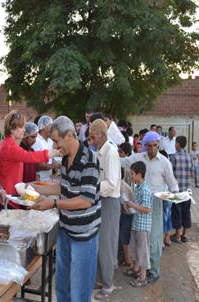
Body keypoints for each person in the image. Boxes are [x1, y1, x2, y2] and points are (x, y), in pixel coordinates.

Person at [30, 116, 100, 302]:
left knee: (79, 291)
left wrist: (52, 204)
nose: (55, 147)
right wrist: (35, 190)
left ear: (69, 135)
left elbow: (85, 200)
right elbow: (64, 187)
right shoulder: (65, 159)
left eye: (56, 141)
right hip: (65, 229)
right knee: (62, 286)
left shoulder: (89, 160)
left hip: (84, 234)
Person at [120, 131, 178, 284]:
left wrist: (176, 196)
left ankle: (154, 271)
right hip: (139, 202)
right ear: (144, 146)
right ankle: (139, 269)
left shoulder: (165, 162)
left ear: (158, 145)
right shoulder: (138, 158)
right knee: (140, 239)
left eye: (155, 145)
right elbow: (122, 161)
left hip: (156, 203)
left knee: (154, 238)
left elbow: (172, 183)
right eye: (149, 146)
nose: (152, 148)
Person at [0, 111, 59, 207]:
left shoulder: (7, 144)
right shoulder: (9, 147)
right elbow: (29, 157)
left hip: (10, 193)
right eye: (21, 127)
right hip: (9, 197)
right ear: (12, 129)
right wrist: (53, 153)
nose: (24, 130)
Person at [89, 119, 121, 300]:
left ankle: (108, 284)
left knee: (107, 244)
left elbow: (111, 183)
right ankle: (101, 279)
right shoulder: (99, 152)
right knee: (99, 242)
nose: (91, 140)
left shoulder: (111, 152)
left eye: (93, 137)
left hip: (109, 202)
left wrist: (92, 187)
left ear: (101, 134)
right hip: (100, 200)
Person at [125, 161, 153, 288]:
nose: (131, 176)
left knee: (143, 252)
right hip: (136, 224)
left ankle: (143, 278)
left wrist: (132, 205)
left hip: (143, 227)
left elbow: (147, 209)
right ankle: (136, 269)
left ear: (139, 174)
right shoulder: (138, 188)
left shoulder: (146, 190)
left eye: (132, 174)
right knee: (135, 249)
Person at [170, 136, 194, 243]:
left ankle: (178, 235)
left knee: (177, 212)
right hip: (187, 190)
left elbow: (170, 174)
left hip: (177, 189)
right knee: (186, 211)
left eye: (175, 143)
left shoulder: (174, 157)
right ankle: (185, 234)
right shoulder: (189, 156)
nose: (174, 145)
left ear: (178, 144)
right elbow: (192, 172)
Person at [32, 115, 60, 181]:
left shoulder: (50, 141)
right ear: (43, 127)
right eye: (50, 125)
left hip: (48, 179)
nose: (52, 128)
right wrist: (53, 166)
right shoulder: (37, 141)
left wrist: (56, 163)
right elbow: (38, 165)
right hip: (39, 179)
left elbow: (51, 158)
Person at [118, 169, 134, 268]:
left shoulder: (121, 187)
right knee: (124, 236)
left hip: (128, 214)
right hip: (126, 213)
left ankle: (127, 259)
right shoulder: (122, 185)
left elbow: (125, 204)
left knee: (125, 237)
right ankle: (125, 257)